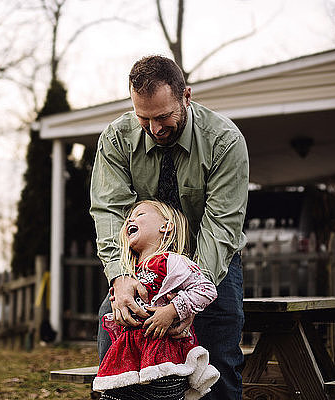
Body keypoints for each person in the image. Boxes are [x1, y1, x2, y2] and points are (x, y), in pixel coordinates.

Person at [90, 55, 249, 399]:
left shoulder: (224, 141)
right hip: (143, 264)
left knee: (217, 357)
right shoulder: (118, 139)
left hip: (210, 264)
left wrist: (188, 302)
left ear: (186, 96)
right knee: (114, 327)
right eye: (143, 118)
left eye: (164, 117)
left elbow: (221, 226)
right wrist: (120, 277)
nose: (155, 129)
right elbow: (108, 210)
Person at [93, 200, 219, 400]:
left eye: (140, 214)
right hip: (127, 359)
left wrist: (173, 310)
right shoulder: (129, 271)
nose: (130, 219)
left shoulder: (172, 261)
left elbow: (206, 289)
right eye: (129, 217)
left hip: (163, 358)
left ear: (166, 226)